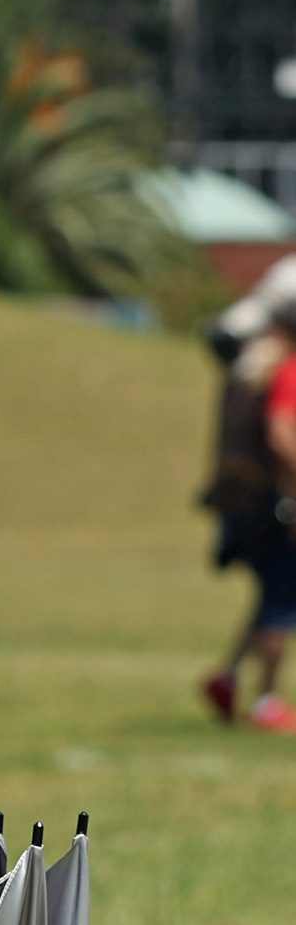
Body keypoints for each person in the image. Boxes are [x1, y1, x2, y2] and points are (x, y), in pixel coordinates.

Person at [201, 267, 296, 729]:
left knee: (272, 593)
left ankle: (229, 675)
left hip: (241, 501)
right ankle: (266, 701)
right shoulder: (287, 368)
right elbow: (281, 436)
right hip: (275, 503)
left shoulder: (249, 367)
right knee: (284, 597)